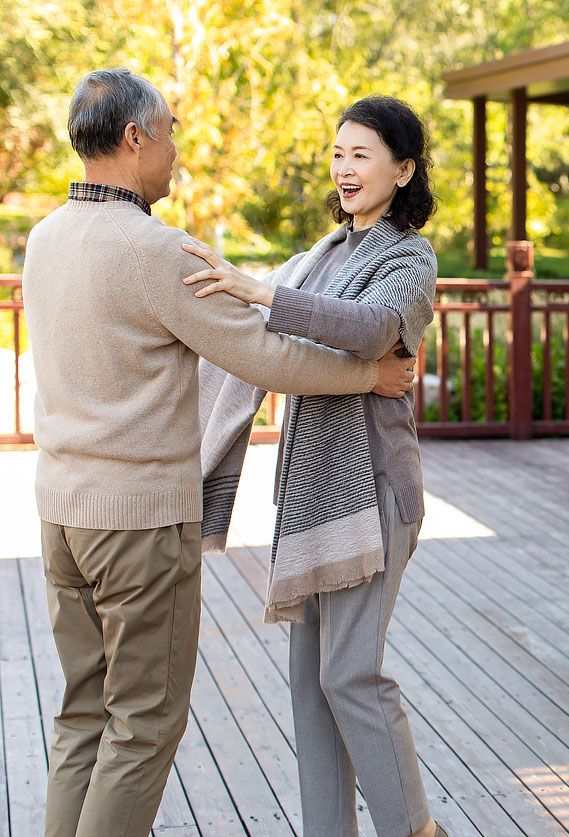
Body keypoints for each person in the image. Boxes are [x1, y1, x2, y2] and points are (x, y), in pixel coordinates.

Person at [21, 69, 414, 837]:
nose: (175, 150)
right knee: (141, 726)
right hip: (138, 526)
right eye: (167, 131)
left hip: (61, 515)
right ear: (134, 138)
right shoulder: (156, 251)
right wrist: (373, 371)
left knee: (80, 719)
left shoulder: (45, 237)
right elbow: (265, 357)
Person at [186, 96, 445, 837]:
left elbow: (370, 333)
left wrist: (265, 291)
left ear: (402, 169)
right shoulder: (321, 255)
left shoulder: (408, 256)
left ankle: (414, 828)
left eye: (361, 154)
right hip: (309, 496)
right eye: (337, 153)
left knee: (348, 675)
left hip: (372, 490)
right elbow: (266, 338)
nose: (344, 168)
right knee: (309, 686)